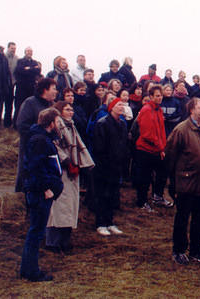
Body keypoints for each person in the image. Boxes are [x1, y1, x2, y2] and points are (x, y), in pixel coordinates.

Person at [165, 97, 200, 265]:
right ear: (191, 109)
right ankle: (178, 250)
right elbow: (170, 157)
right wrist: (173, 182)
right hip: (186, 183)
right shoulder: (181, 130)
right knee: (182, 218)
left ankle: (195, 250)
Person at [19, 107, 64, 282]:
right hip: (40, 193)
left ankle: (28, 268)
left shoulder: (44, 139)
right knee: (36, 232)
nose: (59, 125)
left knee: (36, 231)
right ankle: (31, 271)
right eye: (58, 122)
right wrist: (46, 188)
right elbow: (35, 168)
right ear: (51, 123)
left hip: (42, 191)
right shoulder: (39, 140)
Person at [45, 101, 94, 252]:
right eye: (67, 109)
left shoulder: (71, 126)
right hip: (60, 170)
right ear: (59, 111)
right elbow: (55, 146)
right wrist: (67, 161)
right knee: (58, 207)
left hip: (72, 170)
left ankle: (65, 241)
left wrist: (79, 162)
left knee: (70, 206)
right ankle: (53, 242)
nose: (71, 112)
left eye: (71, 109)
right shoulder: (57, 126)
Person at [92, 98, 128, 236]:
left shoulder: (123, 124)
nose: (122, 107)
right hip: (103, 166)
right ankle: (100, 223)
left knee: (112, 195)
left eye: (123, 105)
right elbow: (99, 147)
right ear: (111, 107)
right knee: (102, 195)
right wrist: (106, 162)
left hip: (116, 166)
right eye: (119, 104)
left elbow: (124, 145)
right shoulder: (102, 123)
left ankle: (110, 222)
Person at [15, 78, 58, 192]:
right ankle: (22, 195)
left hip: (48, 146)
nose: (56, 91)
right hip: (31, 146)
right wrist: (38, 136)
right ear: (45, 89)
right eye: (54, 88)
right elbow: (22, 125)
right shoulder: (30, 103)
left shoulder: (52, 105)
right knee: (27, 172)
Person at [134, 85, 172, 211]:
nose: (160, 98)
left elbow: (161, 130)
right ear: (151, 96)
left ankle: (157, 197)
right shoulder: (146, 110)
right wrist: (161, 148)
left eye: (161, 95)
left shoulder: (158, 110)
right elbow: (147, 134)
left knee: (162, 173)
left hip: (157, 149)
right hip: (145, 149)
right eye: (157, 95)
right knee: (144, 177)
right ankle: (142, 201)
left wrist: (163, 147)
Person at [14, 47, 42, 122]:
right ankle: (16, 123)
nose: (29, 53)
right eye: (28, 51)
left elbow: (38, 71)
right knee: (19, 105)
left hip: (31, 87)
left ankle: (27, 123)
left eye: (31, 51)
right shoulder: (20, 61)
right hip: (21, 87)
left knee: (29, 106)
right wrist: (32, 69)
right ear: (25, 52)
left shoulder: (35, 62)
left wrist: (28, 69)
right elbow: (20, 71)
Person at [4, 42, 18, 128]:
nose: (13, 50)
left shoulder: (17, 58)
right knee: (0, 103)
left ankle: (7, 123)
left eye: (14, 48)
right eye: (12, 48)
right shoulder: (3, 57)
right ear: (8, 48)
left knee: (9, 103)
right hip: (3, 83)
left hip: (12, 84)